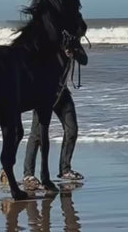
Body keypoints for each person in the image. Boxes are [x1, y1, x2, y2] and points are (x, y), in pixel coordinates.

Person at [23, 40, 88, 187]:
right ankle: (28, 174)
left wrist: (74, 51)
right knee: (37, 134)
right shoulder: (49, 41)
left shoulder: (71, 41)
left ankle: (65, 169)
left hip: (62, 92)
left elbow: (84, 60)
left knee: (72, 129)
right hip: (43, 91)